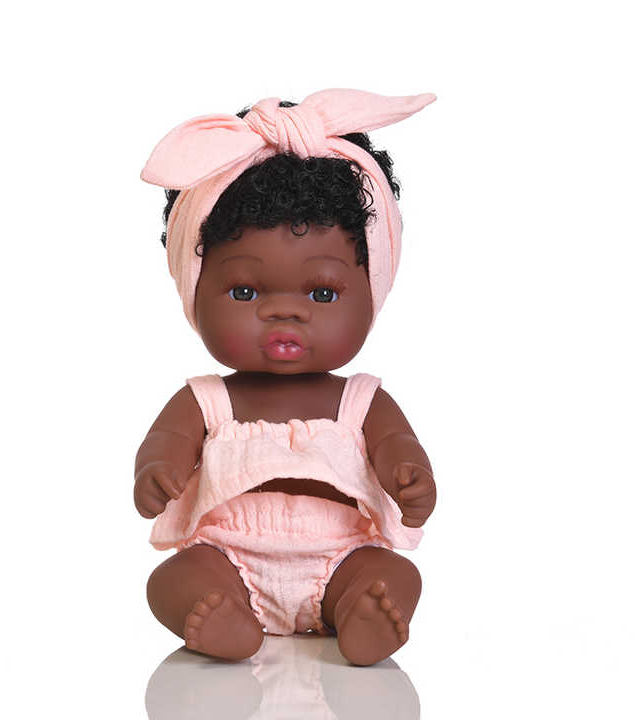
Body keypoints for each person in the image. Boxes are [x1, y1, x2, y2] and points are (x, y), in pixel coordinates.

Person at [134, 88, 437, 666]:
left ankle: (360, 610)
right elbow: (165, 442)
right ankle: (222, 615)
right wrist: (156, 470)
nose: (284, 312)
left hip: (341, 556)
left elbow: (398, 444)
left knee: (393, 572)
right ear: (194, 291)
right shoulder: (208, 399)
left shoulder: (361, 400)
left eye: (321, 293)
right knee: (172, 579)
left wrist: (411, 476)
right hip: (227, 555)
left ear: (372, 293)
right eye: (245, 291)